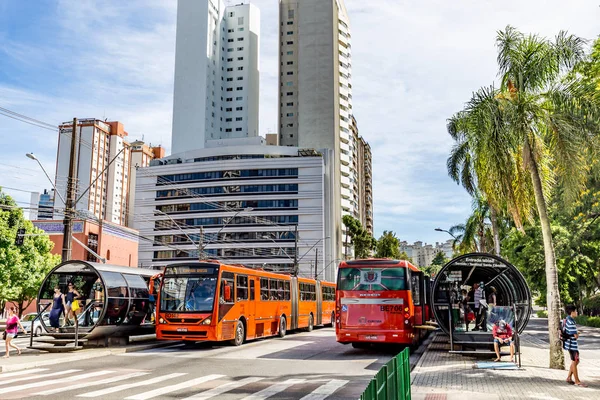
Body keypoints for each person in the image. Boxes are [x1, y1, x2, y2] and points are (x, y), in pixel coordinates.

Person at [563, 305, 587, 387]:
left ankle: (569, 377)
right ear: (572, 312)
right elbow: (575, 336)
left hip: (568, 344)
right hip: (572, 345)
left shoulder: (567, 319)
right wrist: (578, 333)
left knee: (576, 361)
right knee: (575, 361)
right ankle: (577, 381)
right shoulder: (571, 322)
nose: (577, 313)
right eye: (576, 311)